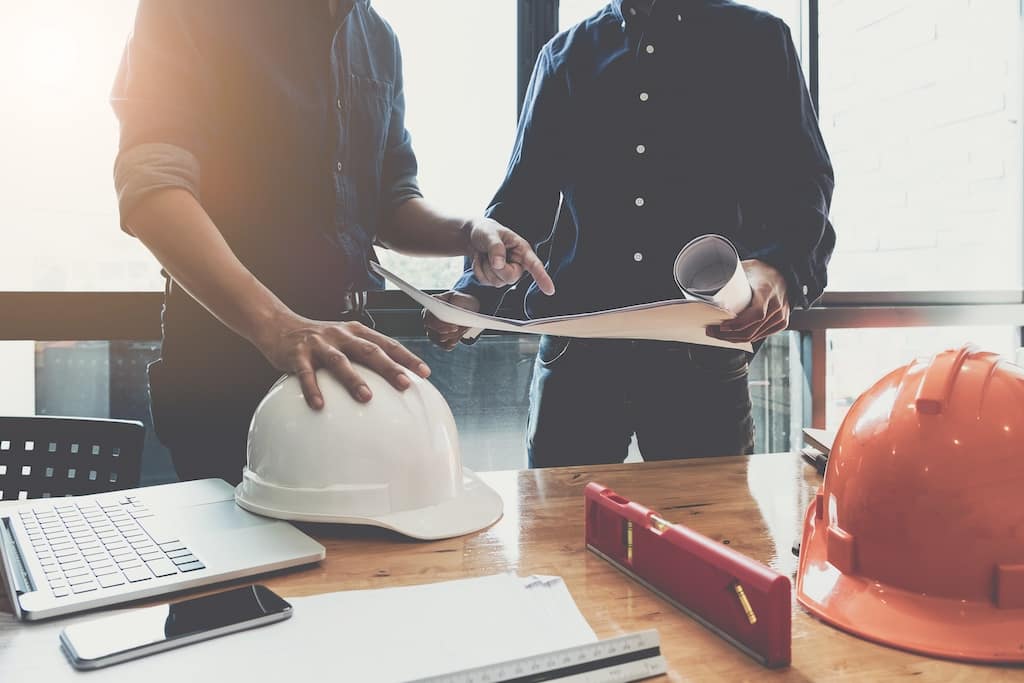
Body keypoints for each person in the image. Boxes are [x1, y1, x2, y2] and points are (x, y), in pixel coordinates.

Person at [111, 0, 553, 483]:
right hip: (225, 361)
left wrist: (469, 232)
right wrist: (278, 326)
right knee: (246, 550)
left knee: (360, 551)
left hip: (346, 354)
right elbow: (151, 188)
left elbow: (390, 202)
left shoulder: (378, 37)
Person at [425, 0, 835, 467]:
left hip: (701, 352)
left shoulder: (758, 41)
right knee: (559, 531)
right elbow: (523, 199)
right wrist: (472, 294)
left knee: (704, 532)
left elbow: (803, 183)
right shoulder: (562, 56)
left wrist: (780, 268)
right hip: (576, 360)